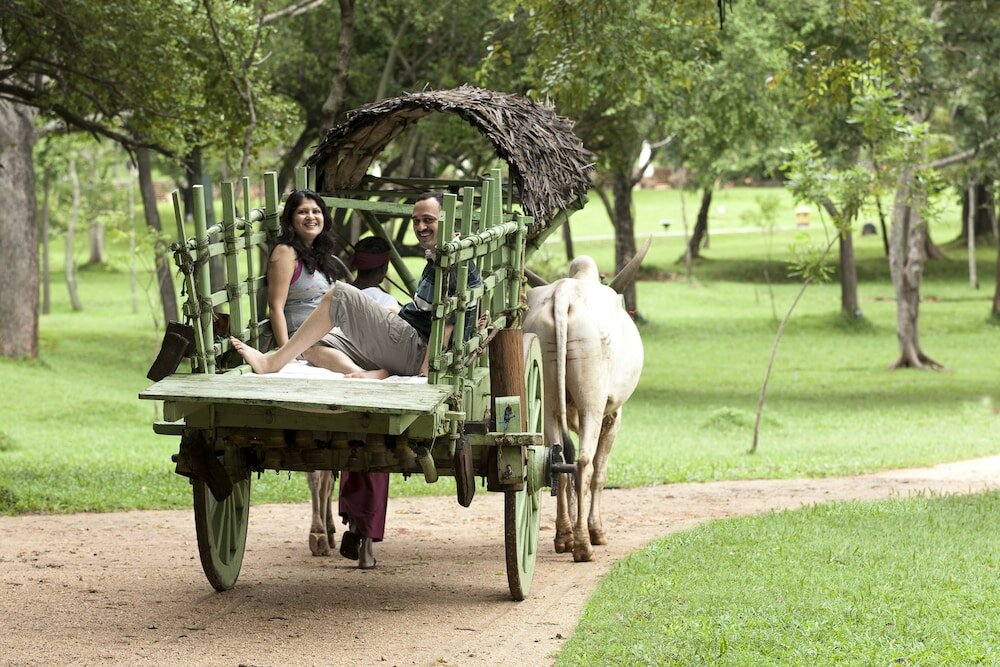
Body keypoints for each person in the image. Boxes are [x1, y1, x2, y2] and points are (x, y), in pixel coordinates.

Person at [231, 191, 482, 380]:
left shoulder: (452, 262)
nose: (420, 227)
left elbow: (446, 326)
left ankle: (272, 363)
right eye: (416, 220)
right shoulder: (440, 256)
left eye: (428, 220)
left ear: (447, 220)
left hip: (416, 352)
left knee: (340, 295)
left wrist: (424, 375)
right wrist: (400, 313)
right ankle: (367, 374)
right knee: (311, 346)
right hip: (408, 342)